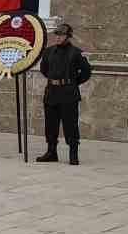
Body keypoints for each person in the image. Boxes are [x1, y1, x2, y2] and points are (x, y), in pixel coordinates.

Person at [35, 22, 93, 165]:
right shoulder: (48, 52)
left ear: (68, 37)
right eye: (57, 34)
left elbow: (86, 72)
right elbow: (44, 69)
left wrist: (72, 82)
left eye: (62, 35)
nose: (58, 37)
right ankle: (51, 152)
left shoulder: (76, 53)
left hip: (68, 93)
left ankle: (73, 154)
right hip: (52, 92)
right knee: (51, 124)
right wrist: (54, 81)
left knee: (70, 124)